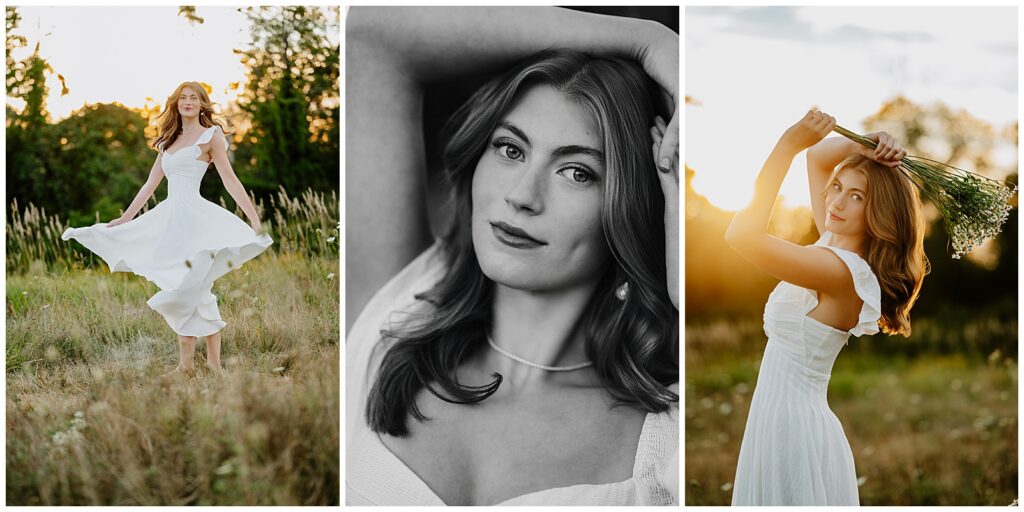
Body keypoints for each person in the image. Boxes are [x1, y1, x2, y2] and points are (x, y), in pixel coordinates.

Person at [345, 7, 680, 506]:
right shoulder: (396, 311)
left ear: (635, 205)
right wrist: (648, 41)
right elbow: (369, 35)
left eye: (578, 172)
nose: (523, 195)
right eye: (510, 149)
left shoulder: (667, 440)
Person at [725, 109, 929, 505]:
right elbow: (817, 158)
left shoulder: (840, 271)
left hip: (792, 429)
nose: (837, 202)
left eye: (857, 197)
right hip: (777, 418)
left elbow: (741, 235)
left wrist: (785, 144)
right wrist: (869, 143)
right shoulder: (832, 243)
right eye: (838, 188)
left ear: (879, 214)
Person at [61, 82, 273, 377]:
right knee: (179, 285)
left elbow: (230, 180)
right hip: (171, 220)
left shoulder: (211, 137)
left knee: (197, 286)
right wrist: (125, 219)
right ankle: (187, 366)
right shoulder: (167, 142)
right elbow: (150, 185)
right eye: (183, 98)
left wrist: (253, 218)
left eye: (194, 98)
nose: (188, 102)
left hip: (197, 220)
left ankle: (212, 366)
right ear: (176, 104)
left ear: (202, 104)